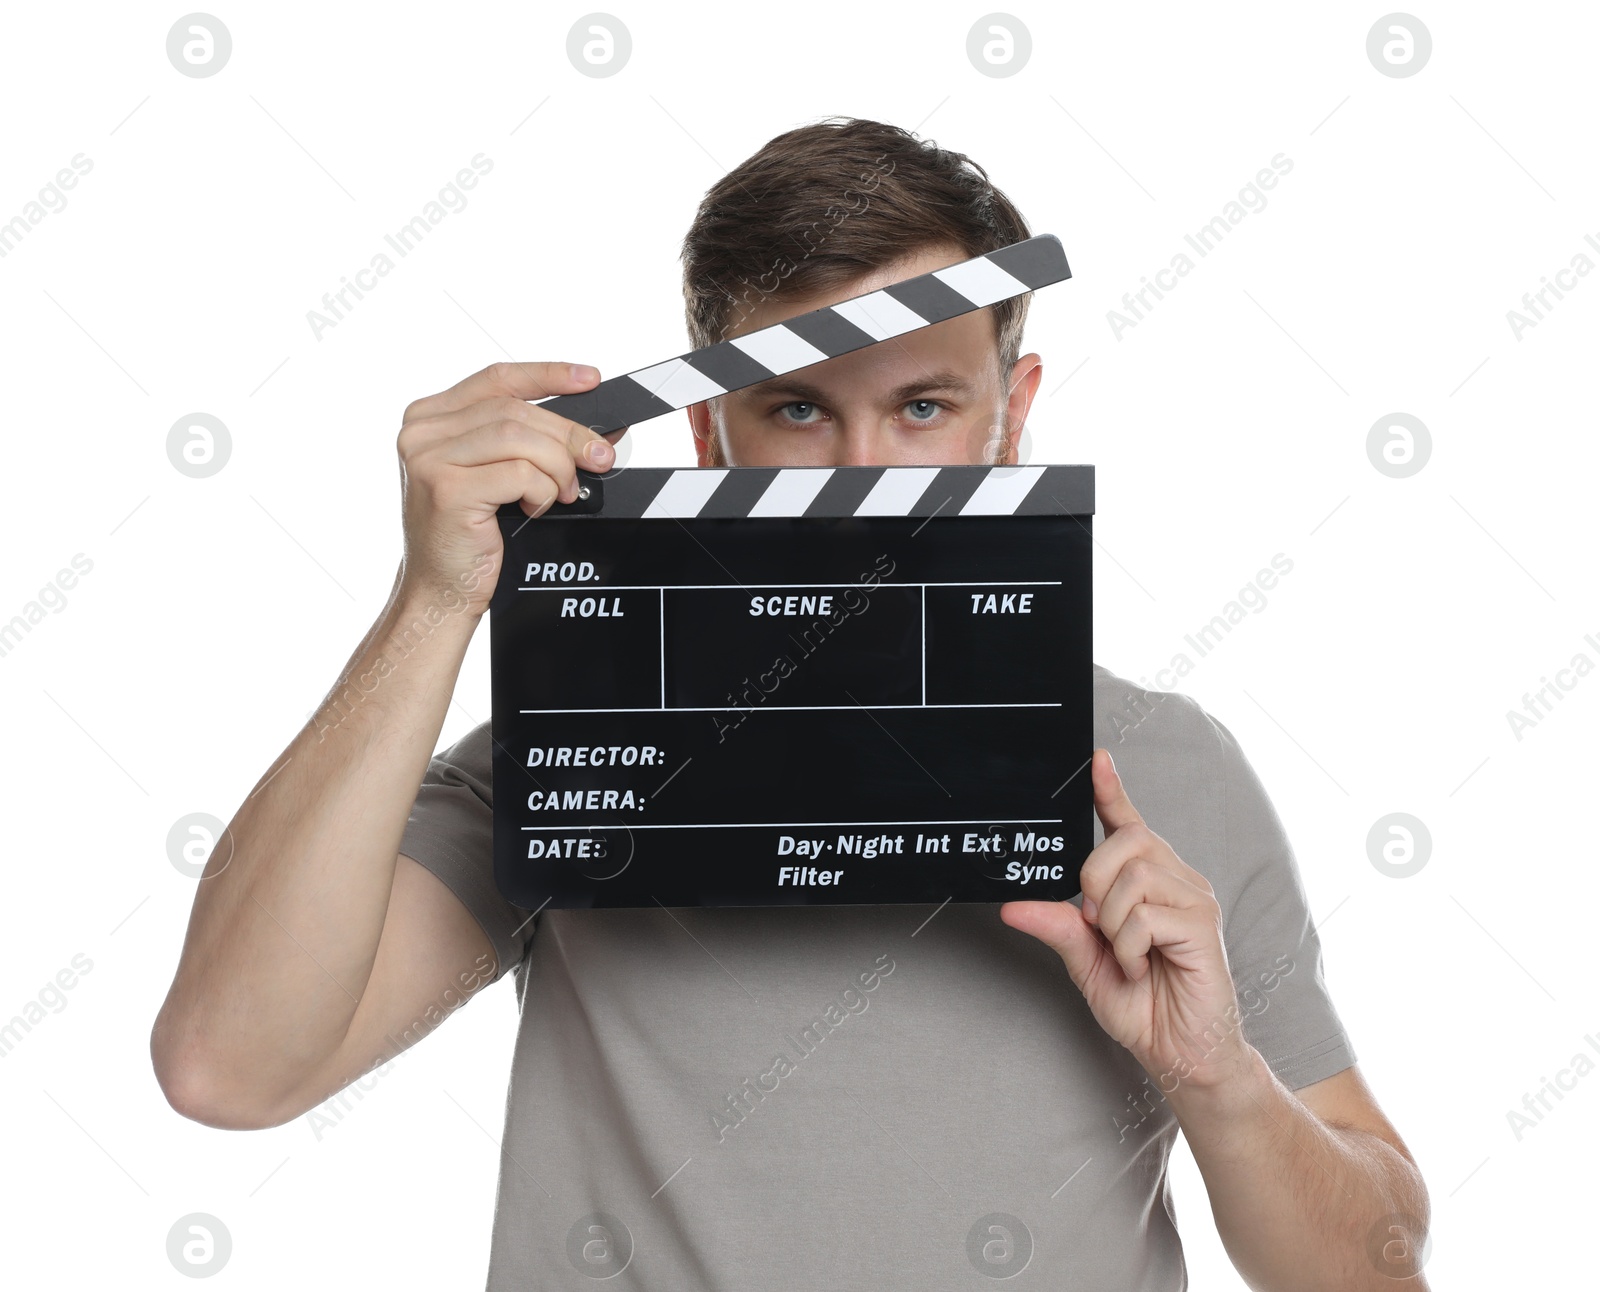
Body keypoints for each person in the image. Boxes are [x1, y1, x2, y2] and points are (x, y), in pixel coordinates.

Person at [151, 116, 1431, 1289]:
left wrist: (1215, 1075)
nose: (864, 474)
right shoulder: (571, 752)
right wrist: (430, 602)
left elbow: (1376, 1268)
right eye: (800, 409)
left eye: (922, 406)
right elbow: (227, 1064)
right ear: (710, 433)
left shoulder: (1164, 766)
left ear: (1013, 417)